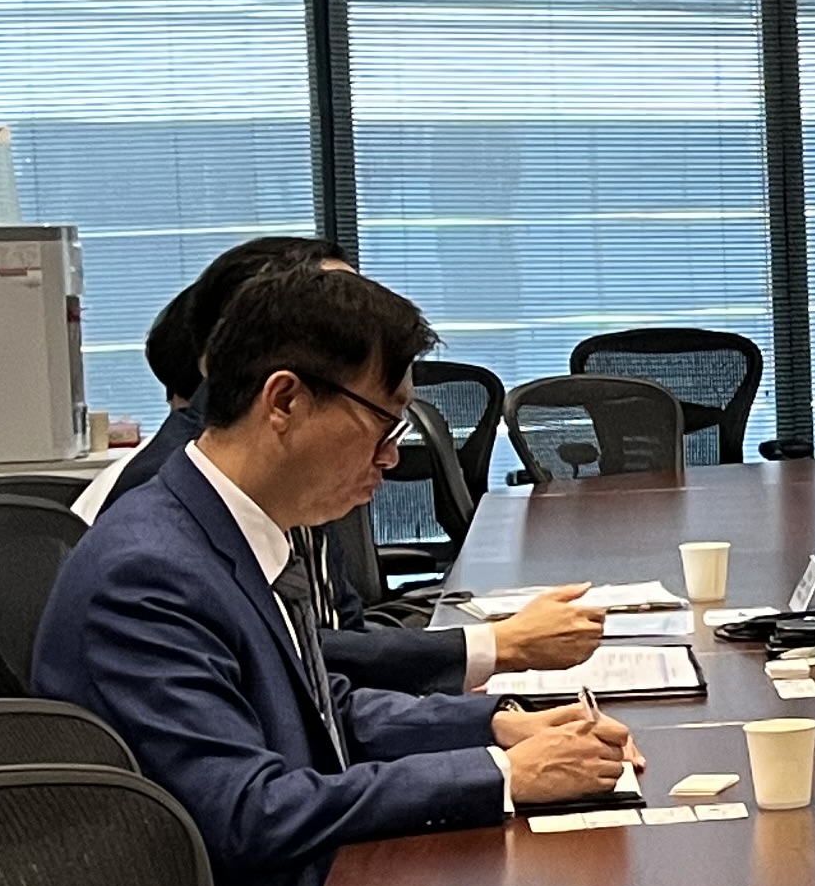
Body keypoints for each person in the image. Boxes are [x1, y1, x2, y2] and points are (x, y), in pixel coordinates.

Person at [33, 264, 641, 886]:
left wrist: (496, 726)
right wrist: (500, 777)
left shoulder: (229, 528)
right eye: (384, 424)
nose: (391, 458)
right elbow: (247, 812)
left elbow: (325, 711)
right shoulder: (148, 574)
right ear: (285, 401)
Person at [80, 235, 601, 692]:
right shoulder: (163, 528)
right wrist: (492, 653)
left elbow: (330, 681)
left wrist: (491, 727)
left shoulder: (280, 485)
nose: (391, 456)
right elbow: (285, 690)